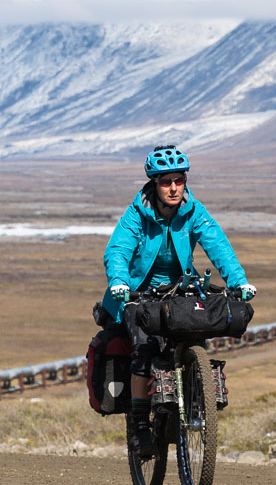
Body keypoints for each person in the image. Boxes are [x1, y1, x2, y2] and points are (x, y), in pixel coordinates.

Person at [100, 144, 255, 458]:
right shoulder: (136, 213)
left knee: (195, 330)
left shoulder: (194, 211)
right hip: (137, 292)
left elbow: (218, 245)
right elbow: (117, 251)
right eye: (165, 182)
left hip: (178, 289)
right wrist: (119, 282)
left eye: (178, 181)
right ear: (154, 184)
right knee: (143, 348)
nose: (173, 188)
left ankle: (197, 398)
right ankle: (140, 426)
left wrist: (238, 280)